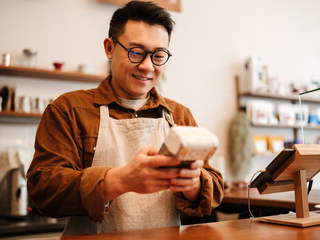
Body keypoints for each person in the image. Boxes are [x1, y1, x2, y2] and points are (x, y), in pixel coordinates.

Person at [26, 1, 224, 235]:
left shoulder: (179, 115)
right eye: (136, 52)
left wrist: (193, 185)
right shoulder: (68, 110)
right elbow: (44, 189)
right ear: (109, 48)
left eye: (158, 55)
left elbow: (216, 187)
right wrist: (120, 180)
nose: (147, 66)